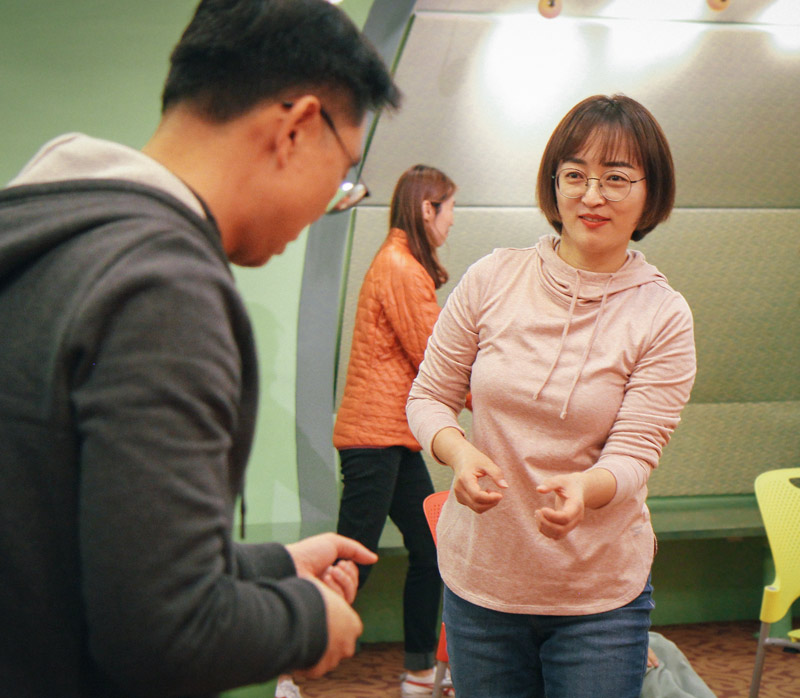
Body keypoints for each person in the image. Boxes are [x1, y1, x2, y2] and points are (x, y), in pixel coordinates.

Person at [0, 1, 400, 696]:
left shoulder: (45, 234)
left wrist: (269, 567)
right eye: (341, 178)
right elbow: (163, 634)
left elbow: (68, 547)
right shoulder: (165, 289)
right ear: (298, 128)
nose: (323, 209)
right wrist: (309, 619)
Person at [406, 94, 697, 698]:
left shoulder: (662, 314)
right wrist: (457, 453)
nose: (592, 196)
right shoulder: (493, 277)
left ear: (651, 192)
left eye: (616, 178)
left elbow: (637, 452)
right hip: (480, 585)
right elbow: (429, 396)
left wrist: (585, 489)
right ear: (554, 182)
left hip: (598, 597)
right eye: (576, 175)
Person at [332, 165, 459, 697]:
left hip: (394, 438)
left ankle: (418, 672)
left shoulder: (398, 261)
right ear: (427, 209)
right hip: (375, 439)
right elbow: (436, 358)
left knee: (431, 549)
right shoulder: (402, 268)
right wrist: (498, 400)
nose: (451, 220)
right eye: (449, 208)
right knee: (351, 561)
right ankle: (280, 667)